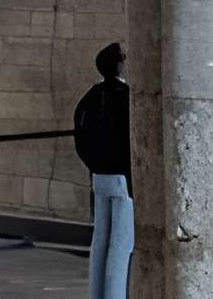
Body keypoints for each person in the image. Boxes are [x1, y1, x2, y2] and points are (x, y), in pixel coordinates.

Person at [73, 43, 132, 299]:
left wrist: (94, 165)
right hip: (122, 179)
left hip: (99, 177)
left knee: (100, 242)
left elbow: (81, 138)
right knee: (121, 245)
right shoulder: (125, 96)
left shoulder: (89, 97)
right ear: (119, 65)